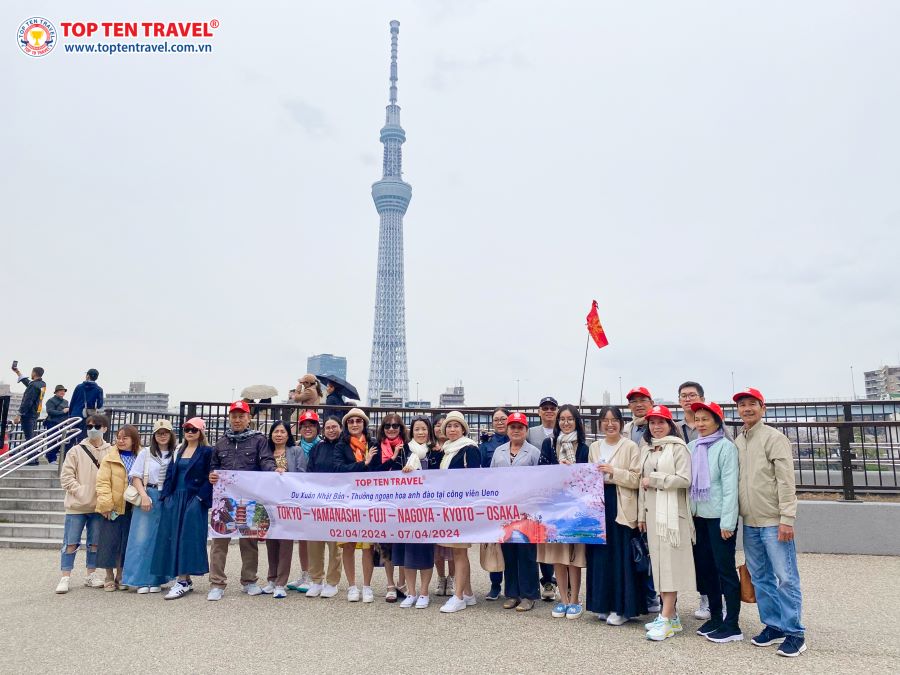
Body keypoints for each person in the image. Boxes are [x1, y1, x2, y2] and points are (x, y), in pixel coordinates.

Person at [733, 387, 806, 657]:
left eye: (753, 404)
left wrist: (787, 518)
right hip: (750, 521)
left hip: (775, 521)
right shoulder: (739, 440)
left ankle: (795, 632)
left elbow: (786, 480)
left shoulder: (774, 438)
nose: (747, 409)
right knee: (761, 577)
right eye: (742, 405)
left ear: (763, 408)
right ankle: (773, 625)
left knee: (786, 577)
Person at [207, 400, 276, 601]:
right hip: (225, 500)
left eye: (241, 416)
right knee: (219, 541)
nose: (237, 420)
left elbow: (266, 461)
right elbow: (214, 465)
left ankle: (249, 580)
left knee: (249, 541)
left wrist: (274, 471)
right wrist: (211, 475)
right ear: (230, 418)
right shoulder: (220, 442)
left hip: (249, 499)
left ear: (249, 418)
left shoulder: (259, 440)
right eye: (234, 416)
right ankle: (217, 583)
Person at [585, 406, 647, 625]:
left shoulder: (630, 446)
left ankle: (622, 608)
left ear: (621, 423)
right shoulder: (594, 446)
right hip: (599, 505)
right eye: (605, 420)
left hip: (621, 504)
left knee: (621, 556)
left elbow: (636, 478)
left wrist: (613, 471)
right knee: (601, 556)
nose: (609, 424)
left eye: (614, 420)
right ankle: (602, 604)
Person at [638, 405, 696, 641]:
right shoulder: (647, 449)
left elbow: (684, 479)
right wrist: (642, 515)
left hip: (673, 517)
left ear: (670, 424)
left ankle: (666, 615)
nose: (656, 426)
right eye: (652, 422)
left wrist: (656, 479)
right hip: (653, 515)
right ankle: (671, 617)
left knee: (670, 566)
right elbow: (641, 483)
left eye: (661, 422)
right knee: (660, 566)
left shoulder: (678, 448)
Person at [687, 401, 742, 643]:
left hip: (720, 518)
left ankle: (733, 624)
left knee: (725, 571)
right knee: (706, 570)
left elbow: (730, 488)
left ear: (717, 422)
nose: (700, 424)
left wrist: (728, 523)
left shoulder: (725, 448)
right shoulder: (691, 447)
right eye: (697, 419)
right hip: (698, 517)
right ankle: (716, 617)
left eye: (705, 419)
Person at [538, 404, 589, 620]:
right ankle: (563, 600)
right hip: (554, 507)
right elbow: (541, 473)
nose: (565, 423)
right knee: (558, 554)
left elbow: (589, 477)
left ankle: (575, 598)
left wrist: (573, 470)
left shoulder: (585, 447)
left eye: (569, 419)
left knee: (574, 555)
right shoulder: (549, 444)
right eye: (562, 419)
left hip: (576, 508)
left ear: (577, 421)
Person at [154, 417, 213, 600]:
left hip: (193, 498)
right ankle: (183, 580)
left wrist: (200, 498)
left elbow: (210, 476)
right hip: (176, 497)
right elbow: (171, 472)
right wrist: (166, 496)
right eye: (187, 428)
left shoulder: (207, 451)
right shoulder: (179, 449)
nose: (189, 432)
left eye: (194, 429)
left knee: (189, 538)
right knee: (174, 538)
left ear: (201, 432)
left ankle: (182, 580)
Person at [55, 413, 112, 593]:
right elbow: (66, 477)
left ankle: (91, 574)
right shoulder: (76, 450)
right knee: (71, 542)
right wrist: (81, 491)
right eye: (89, 426)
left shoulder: (111, 451)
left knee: (95, 542)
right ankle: (65, 576)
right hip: (76, 506)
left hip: (98, 506)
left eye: (96, 426)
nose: (92, 430)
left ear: (105, 428)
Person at [490, 412, 541, 612]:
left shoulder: (534, 452)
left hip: (527, 512)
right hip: (506, 511)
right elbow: (491, 479)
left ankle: (529, 595)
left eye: (520, 427)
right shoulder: (499, 452)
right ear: (508, 430)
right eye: (513, 427)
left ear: (526, 430)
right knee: (509, 553)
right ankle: (512, 593)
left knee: (527, 554)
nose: (516, 431)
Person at [121, 420, 176, 593]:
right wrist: (144, 496)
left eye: (165, 432)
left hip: (167, 496)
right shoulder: (145, 453)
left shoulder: (175, 453)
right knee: (140, 538)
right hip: (149, 493)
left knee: (162, 539)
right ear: (154, 435)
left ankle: (157, 579)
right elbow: (135, 476)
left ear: (171, 434)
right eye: (159, 432)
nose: (162, 435)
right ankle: (138, 579)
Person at [333, 408, 379, 602]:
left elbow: (379, 470)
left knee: (368, 545)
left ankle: (367, 586)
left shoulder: (373, 444)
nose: (354, 424)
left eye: (358, 421)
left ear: (364, 424)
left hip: (368, 499)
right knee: (349, 544)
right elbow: (338, 469)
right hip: (347, 500)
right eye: (350, 421)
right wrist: (363, 464)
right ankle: (352, 586)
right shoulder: (340, 446)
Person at [437, 411, 481, 614]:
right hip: (448, 506)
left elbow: (473, 479)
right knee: (458, 551)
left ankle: (459, 596)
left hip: (461, 507)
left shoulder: (469, 448)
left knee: (459, 551)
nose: (452, 429)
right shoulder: (447, 450)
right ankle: (468, 593)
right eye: (449, 426)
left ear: (463, 429)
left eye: (456, 426)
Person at [396, 416, 438, 608]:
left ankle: (424, 592)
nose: (420, 433)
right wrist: (402, 473)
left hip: (428, 509)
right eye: (417, 429)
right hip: (407, 508)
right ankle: (411, 592)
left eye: (424, 429)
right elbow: (390, 476)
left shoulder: (436, 452)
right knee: (408, 551)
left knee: (426, 551)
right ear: (411, 432)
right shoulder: (403, 451)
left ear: (429, 432)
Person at [263, 420, 307, 599]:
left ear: (288, 435)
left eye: (282, 431)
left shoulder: (296, 451)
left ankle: (281, 582)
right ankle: (271, 579)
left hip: (288, 503)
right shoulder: (265, 452)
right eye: (276, 431)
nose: (279, 434)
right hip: (267, 502)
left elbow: (303, 474)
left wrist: (286, 477)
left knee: (285, 543)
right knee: (270, 541)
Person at [95, 424, 141, 591]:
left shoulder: (140, 455)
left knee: (126, 541)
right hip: (113, 505)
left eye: (125, 438)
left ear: (133, 440)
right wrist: (106, 504)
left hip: (133, 505)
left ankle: (121, 574)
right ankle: (108, 575)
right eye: (118, 437)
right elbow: (102, 482)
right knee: (109, 540)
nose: (120, 441)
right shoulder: (110, 457)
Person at [302, 415, 344, 598]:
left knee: (335, 545)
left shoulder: (346, 447)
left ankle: (332, 582)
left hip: (339, 501)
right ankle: (316, 580)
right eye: (328, 427)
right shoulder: (317, 448)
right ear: (323, 430)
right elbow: (309, 472)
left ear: (340, 428)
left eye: (334, 427)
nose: (331, 430)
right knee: (314, 543)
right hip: (318, 502)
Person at [371, 412, 409, 602]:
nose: (392, 429)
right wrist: (393, 457)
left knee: (402, 541)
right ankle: (389, 583)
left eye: (395, 426)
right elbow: (374, 472)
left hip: (403, 503)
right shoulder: (377, 448)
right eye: (387, 426)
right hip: (383, 502)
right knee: (386, 545)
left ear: (401, 428)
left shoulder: (408, 448)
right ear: (383, 429)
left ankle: (402, 582)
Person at [527, 396, 560, 601]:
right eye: (545, 408)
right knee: (537, 536)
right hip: (535, 491)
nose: (549, 411)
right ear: (539, 411)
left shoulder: (563, 430)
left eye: (552, 408)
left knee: (553, 536)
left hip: (557, 492)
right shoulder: (531, 432)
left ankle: (553, 580)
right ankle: (540, 580)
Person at [285, 410, 321, 594]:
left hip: (317, 497)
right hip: (299, 497)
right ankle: (305, 573)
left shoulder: (322, 446)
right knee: (302, 537)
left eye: (311, 425)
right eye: (304, 426)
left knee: (316, 538)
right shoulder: (295, 447)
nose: (308, 428)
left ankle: (317, 576)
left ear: (317, 427)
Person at [478, 407, 510, 600]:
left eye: (503, 419)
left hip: (516, 501)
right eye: (496, 419)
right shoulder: (485, 446)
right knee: (495, 544)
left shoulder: (522, 441)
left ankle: (514, 585)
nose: (500, 422)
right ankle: (495, 584)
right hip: (495, 501)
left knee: (516, 543)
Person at [431, 415, 455, 596]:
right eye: (437, 425)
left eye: (443, 425)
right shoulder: (430, 450)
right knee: (438, 544)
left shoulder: (454, 449)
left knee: (453, 545)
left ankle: (452, 578)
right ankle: (441, 578)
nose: (440, 428)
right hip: (435, 503)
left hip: (452, 502)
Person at [12, 366, 46, 462]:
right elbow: (29, 383)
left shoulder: (33, 386)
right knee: (32, 436)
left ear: (34, 373)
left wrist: (19, 414)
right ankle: (34, 459)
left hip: (28, 414)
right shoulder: (42, 384)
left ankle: (31, 460)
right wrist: (17, 372)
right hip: (35, 414)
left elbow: (27, 401)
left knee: (29, 437)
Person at [68, 369, 103, 441]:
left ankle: (68, 452)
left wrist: (69, 416)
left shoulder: (79, 387)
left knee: (71, 437)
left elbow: (72, 402)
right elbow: (99, 405)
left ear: (87, 376)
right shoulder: (99, 389)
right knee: (83, 438)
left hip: (75, 415)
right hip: (88, 417)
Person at [43, 385, 69, 464]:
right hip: (52, 423)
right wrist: (62, 412)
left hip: (62, 424)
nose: (62, 392)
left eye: (63, 391)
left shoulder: (66, 402)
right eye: (60, 390)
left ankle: (50, 456)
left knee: (61, 441)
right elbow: (50, 411)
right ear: (56, 392)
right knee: (52, 441)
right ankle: (51, 458)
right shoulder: (50, 401)